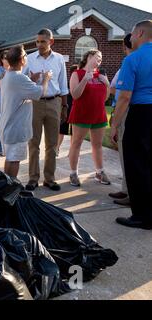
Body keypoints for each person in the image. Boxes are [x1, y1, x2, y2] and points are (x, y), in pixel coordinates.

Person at [110, 20, 152, 230]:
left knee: (137, 166)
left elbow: (124, 97)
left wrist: (115, 124)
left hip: (142, 114)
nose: (132, 39)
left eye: (133, 35)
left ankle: (142, 216)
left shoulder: (133, 59)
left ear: (141, 33)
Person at [23, 29, 69, 191]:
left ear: (51, 41)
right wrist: (31, 79)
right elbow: (21, 82)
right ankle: (33, 178)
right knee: (33, 142)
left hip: (54, 102)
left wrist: (64, 106)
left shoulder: (58, 59)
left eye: (43, 41)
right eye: (37, 41)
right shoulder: (28, 59)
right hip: (34, 103)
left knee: (52, 144)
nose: (40, 44)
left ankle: (50, 178)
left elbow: (63, 84)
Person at [0, 45, 51, 179]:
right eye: (25, 55)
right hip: (16, 128)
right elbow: (40, 92)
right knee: (14, 160)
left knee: (9, 158)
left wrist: (31, 81)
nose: (27, 57)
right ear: (22, 60)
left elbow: (19, 92)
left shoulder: (8, 76)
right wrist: (46, 78)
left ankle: (7, 187)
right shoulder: (19, 78)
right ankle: (11, 188)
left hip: (7, 126)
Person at [68, 49, 111, 187]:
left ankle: (100, 172)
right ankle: (74, 173)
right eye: (98, 57)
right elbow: (75, 95)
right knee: (76, 143)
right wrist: (85, 79)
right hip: (81, 114)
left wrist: (107, 83)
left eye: (101, 58)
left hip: (99, 114)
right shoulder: (77, 74)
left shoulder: (101, 76)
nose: (100, 60)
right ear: (89, 56)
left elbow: (105, 98)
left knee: (97, 145)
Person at [108, 33, 133, 206]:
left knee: (129, 153)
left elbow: (119, 92)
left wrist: (115, 124)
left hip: (128, 111)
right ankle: (126, 189)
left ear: (125, 47)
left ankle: (132, 193)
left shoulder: (130, 62)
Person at [57, 64, 79, 155]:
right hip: (66, 109)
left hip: (76, 110)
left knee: (74, 132)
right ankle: (56, 148)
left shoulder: (80, 83)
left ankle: (71, 151)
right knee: (61, 130)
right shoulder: (65, 82)